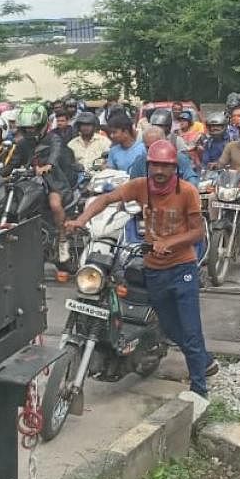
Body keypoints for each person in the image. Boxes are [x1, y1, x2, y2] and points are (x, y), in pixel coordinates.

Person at [67, 140, 215, 396]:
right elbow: (106, 199)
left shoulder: (187, 191)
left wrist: (168, 242)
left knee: (190, 331)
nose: (159, 171)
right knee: (169, 328)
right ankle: (204, 360)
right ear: (147, 166)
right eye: (154, 165)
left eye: (165, 166)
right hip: (154, 269)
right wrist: (81, 220)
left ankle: (199, 390)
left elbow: (197, 232)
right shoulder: (140, 186)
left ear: (174, 168)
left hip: (182, 269)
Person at [16, 103, 76, 263]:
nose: (30, 131)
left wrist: (48, 165)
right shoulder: (23, 143)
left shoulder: (54, 138)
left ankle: (63, 240)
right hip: (29, 182)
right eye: (26, 128)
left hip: (53, 181)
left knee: (55, 204)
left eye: (32, 128)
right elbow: (13, 161)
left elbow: (55, 153)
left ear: (42, 125)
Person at [131, 126, 199, 186]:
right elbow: (132, 186)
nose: (152, 150)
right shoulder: (140, 162)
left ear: (165, 142)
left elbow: (192, 180)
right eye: (148, 147)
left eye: (156, 145)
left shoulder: (179, 158)